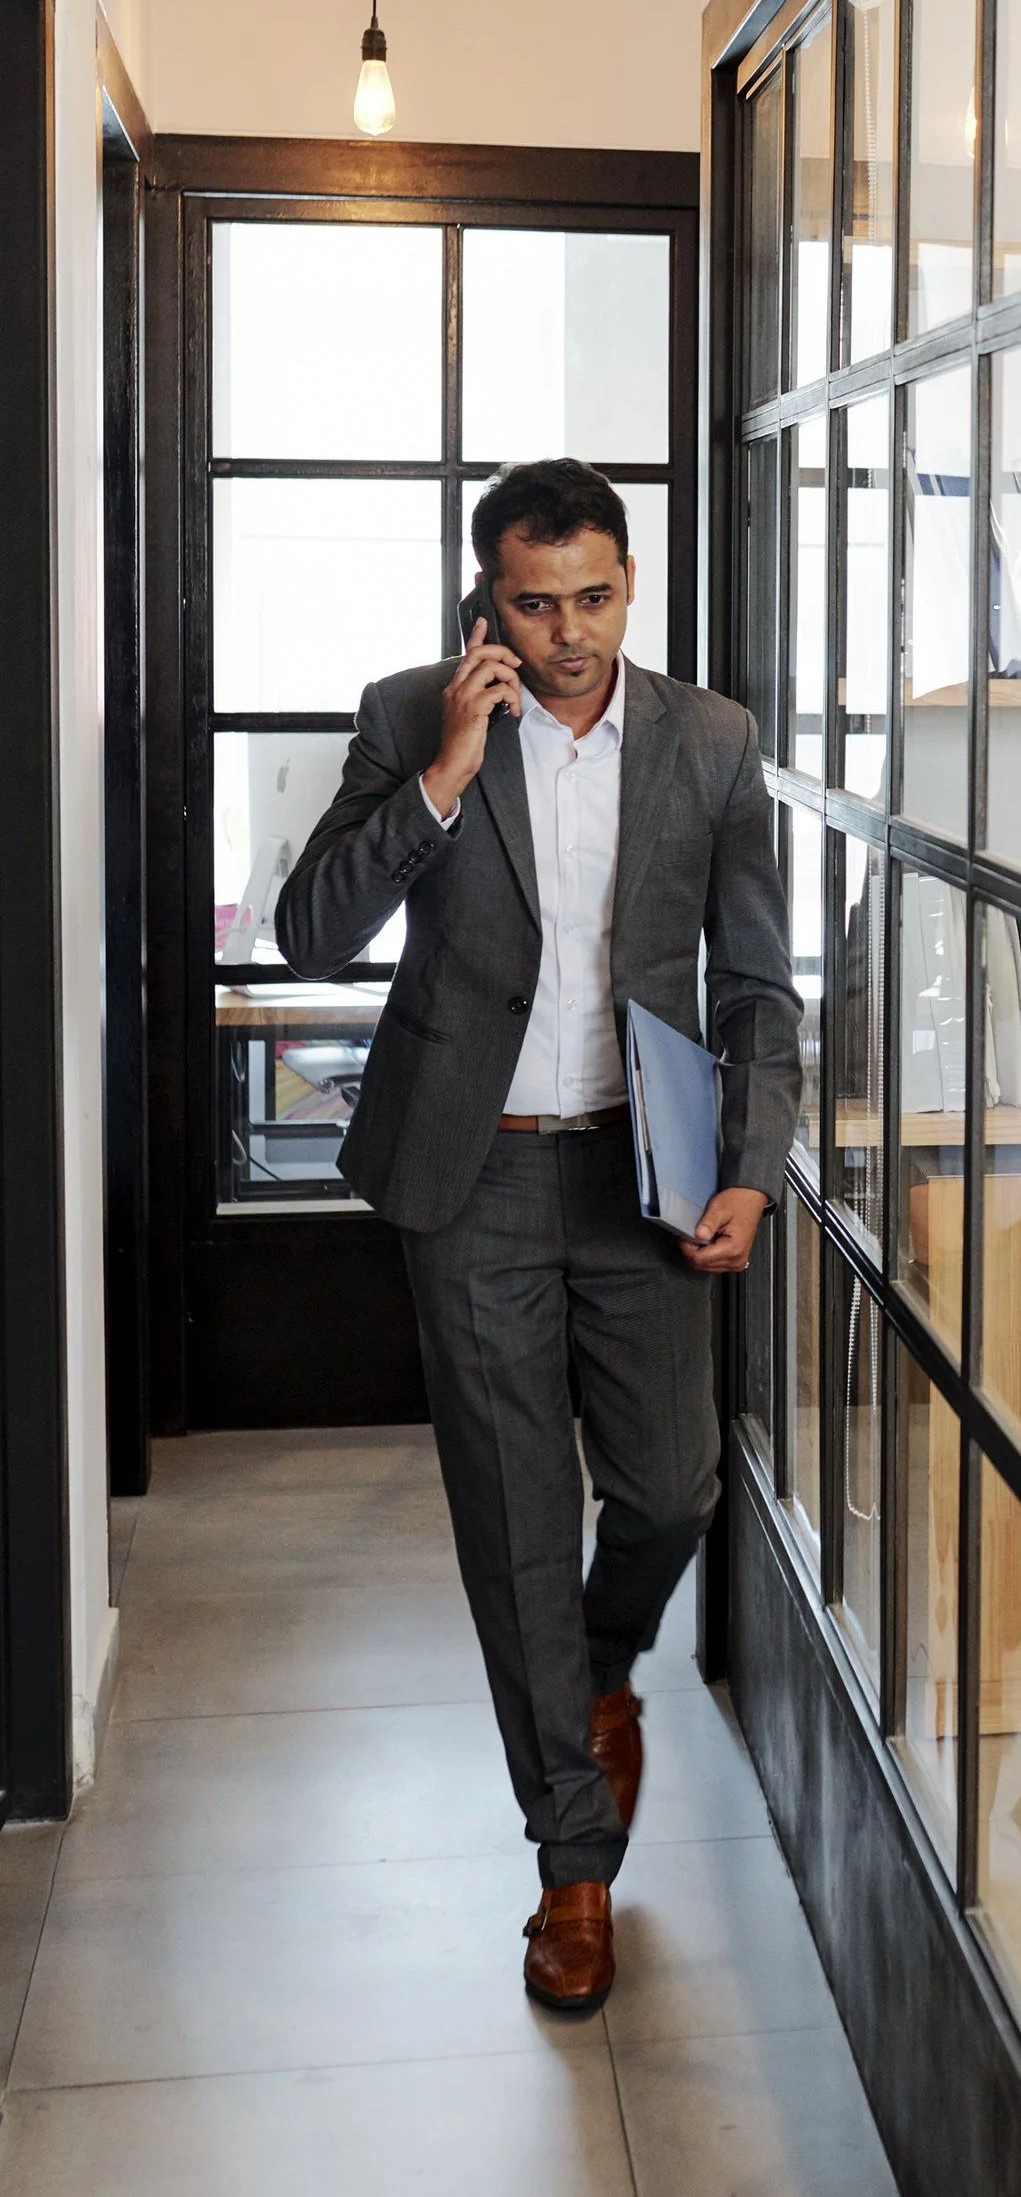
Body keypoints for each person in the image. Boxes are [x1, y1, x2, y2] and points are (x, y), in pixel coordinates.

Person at [277, 459, 799, 2015]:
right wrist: (445, 770)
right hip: (475, 1178)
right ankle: (571, 1864)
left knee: (670, 1487)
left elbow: (760, 984)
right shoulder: (408, 713)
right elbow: (313, 927)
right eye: (532, 602)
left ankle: (597, 1660)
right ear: (481, 600)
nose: (567, 635)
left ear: (628, 584)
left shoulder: (711, 741)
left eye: (594, 597)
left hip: (643, 1175)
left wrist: (752, 1170)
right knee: (511, 1520)